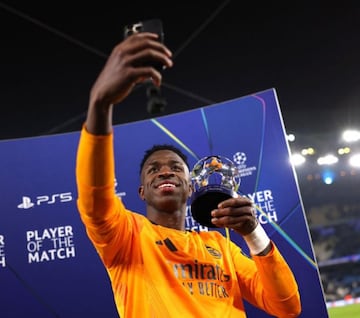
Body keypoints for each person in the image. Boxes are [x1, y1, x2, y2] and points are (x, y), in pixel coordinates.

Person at [75, 31, 302, 317]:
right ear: (142, 191)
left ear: (191, 187)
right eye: (153, 170)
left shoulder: (221, 247)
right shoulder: (127, 237)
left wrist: (253, 232)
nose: (164, 172)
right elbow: (94, 198)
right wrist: (100, 105)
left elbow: (287, 307)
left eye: (175, 167)